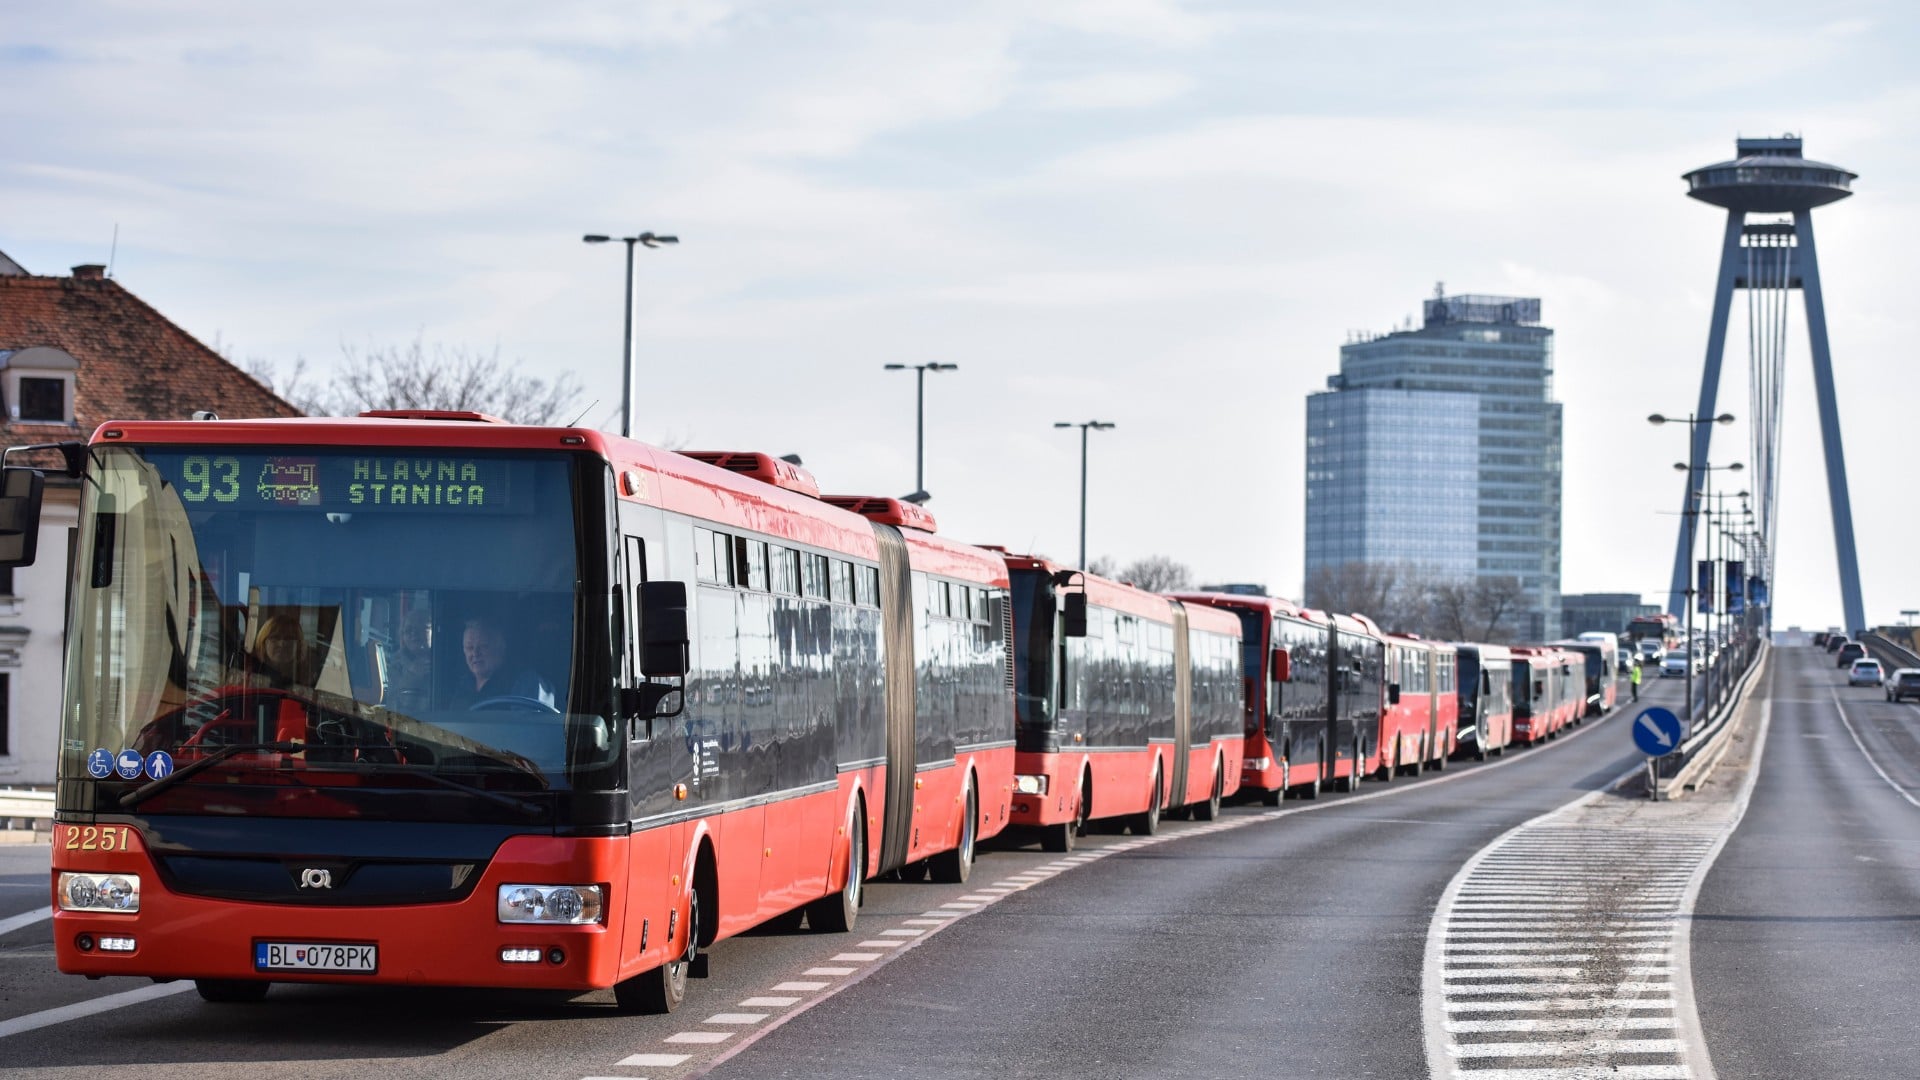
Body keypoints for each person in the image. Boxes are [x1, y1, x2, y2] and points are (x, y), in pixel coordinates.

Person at [457, 613, 556, 709]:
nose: (475, 653)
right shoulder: (460, 685)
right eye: (469, 647)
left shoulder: (525, 682)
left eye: (483, 646)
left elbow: (528, 724)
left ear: (501, 647)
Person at [387, 606, 435, 711]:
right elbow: (392, 705)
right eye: (408, 630)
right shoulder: (396, 665)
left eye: (420, 629)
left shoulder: (443, 660)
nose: (413, 634)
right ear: (402, 634)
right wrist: (412, 676)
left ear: (433, 631)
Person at [250, 614, 316, 686]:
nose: (281, 644)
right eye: (275, 637)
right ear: (263, 643)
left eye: (289, 639)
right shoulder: (250, 672)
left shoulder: (307, 679)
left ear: (298, 646)